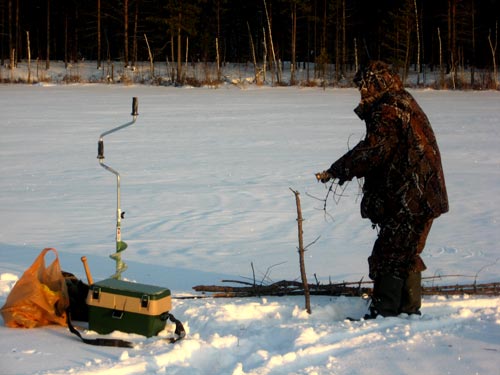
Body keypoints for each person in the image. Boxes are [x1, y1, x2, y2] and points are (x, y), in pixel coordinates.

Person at [316, 61, 448, 318]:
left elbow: (374, 150)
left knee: (389, 253)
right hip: (423, 196)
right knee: (405, 251)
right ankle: (408, 309)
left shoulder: (388, 109)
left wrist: (338, 169)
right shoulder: (403, 101)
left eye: (364, 87)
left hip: (411, 197)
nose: (362, 93)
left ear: (375, 84)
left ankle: (385, 312)